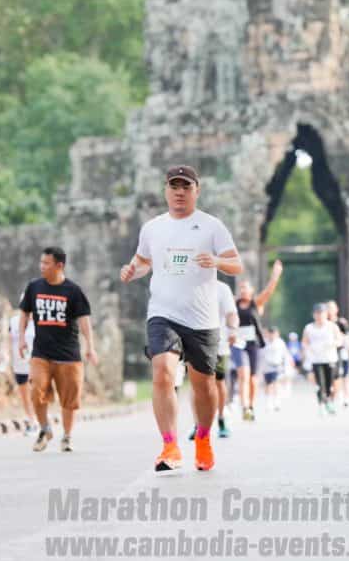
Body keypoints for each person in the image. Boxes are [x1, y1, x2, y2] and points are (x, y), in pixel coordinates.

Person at [120, 165, 243, 472]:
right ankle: (170, 446)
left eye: (185, 187)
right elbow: (145, 261)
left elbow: (236, 264)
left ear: (196, 191)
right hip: (163, 313)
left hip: (202, 319)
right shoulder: (152, 228)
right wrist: (132, 269)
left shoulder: (212, 226)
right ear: (166, 190)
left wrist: (215, 261)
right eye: (173, 186)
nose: (179, 192)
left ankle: (203, 438)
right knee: (162, 372)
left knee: (204, 387)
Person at [18, 246, 99, 453]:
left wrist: (90, 346)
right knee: (36, 391)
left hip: (68, 355)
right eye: (41, 262)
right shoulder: (34, 287)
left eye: (46, 263)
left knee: (69, 399)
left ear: (59, 265)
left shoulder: (73, 291)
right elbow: (24, 314)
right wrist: (21, 339)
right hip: (41, 353)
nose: (41, 266)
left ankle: (67, 436)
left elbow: (84, 321)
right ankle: (45, 430)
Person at [234, 260, 284, 422]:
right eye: (240, 288)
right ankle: (244, 407)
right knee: (243, 374)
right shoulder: (233, 305)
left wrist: (275, 275)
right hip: (237, 344)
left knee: (253, 379)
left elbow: (269, 292)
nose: (243, 291)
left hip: (252, 344)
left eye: (245, 288)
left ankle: (251, 406)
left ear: (251, 291)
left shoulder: (256, 304)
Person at [189, 279, 239, 440]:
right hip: (195, 342)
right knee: (196, 383)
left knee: (218, 382)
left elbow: (231, 314)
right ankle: (197, 424)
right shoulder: (189, 286)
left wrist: (233, 330)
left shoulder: (222, 289)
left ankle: (221, 419)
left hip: (219, 343)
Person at [301, 303, 343, 416]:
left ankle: (328, 400)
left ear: (326, 314)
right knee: (320, 383)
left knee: (329, 384)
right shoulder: (309, 328)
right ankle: (321, 405)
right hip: (316, 359)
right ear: (314, 315)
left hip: (330, 358)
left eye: (322, 313)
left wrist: (332, 344)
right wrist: (308, 349)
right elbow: (304, 342)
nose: (319, 315)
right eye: (317, 313)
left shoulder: (332, 326)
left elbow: (340, 340)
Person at [8, 303, 38, 435]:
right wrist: (9, 360)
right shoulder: (14, 321)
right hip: (19, 363)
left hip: (36, 364)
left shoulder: (39, 321)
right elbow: (9, 341)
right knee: (25, 395)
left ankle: (39, 419)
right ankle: (32, 421)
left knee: (35, 393)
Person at [326, 300, 349, 408]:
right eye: (328, 308)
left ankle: (346, 398)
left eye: (332, 308)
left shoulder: (341, 322)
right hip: (330, 354)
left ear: (336, 309)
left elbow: (347, 337)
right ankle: (335, 395)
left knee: (345, 375)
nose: (330, 310)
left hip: (342, 352)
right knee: (334, 376)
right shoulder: (324, 323)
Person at [259, 327, 289, 412]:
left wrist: (285, 368)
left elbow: (285, 355)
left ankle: (276, 402)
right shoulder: (264, 342)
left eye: (273, 333)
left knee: (275, 384)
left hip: (277, 366)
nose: (272, 335)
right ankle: (268, 402)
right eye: (270, 333)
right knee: (268, 385)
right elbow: (261, 355)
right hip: (267, 367)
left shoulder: (280, 343)